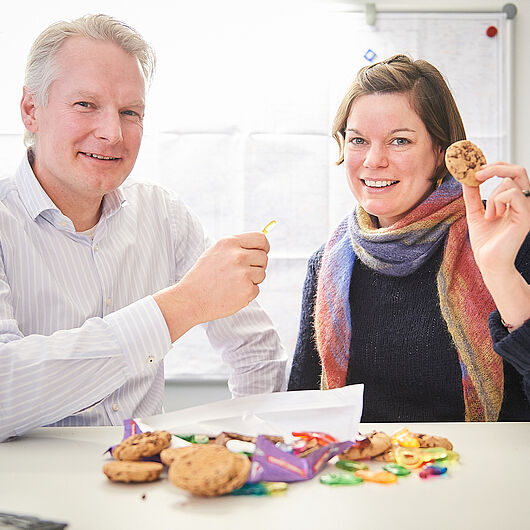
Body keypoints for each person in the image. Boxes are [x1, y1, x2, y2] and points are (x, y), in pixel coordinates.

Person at [0, 14, 286, 442]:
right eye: (86, 105)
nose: (112, 133)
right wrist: (183, 305)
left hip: (146, 487)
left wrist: (249, 451)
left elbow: (256, 352)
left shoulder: (163, 214)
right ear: (30, 110)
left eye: (129, 112)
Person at [288, 55, 529, 422]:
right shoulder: (328, 264)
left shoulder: (509, 239)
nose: (373, 160)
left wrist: (499, 273)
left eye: (399, 141)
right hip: (366, 477)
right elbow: (301, 411)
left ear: (441, 153)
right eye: (358, 140)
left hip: (486, 476)